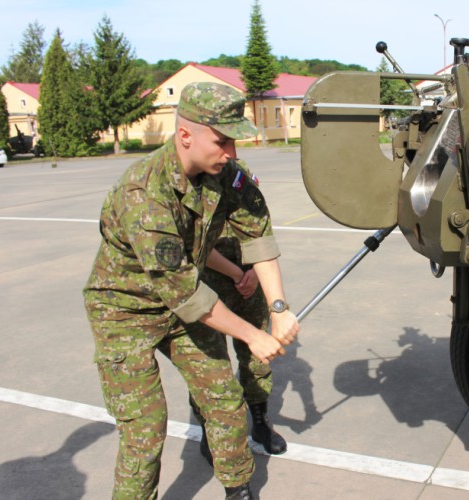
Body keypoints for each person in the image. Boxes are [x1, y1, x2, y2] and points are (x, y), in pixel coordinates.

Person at [83, 81, 299, 500]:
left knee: (223, 399)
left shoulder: (226, 174)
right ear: (185, 134)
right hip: (125, 314)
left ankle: (238, 490)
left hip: (183, 307)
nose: (232, 152)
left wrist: (277, 308)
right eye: (222, 141)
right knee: (145, 430)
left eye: (234, 141)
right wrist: (253, 335)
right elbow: (184, 293)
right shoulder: (143, 195)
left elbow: (257, 235)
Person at [191, 212, 292, 459]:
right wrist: (237, 274)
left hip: (251, 280)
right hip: (209, 281)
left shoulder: (244, 190)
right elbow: (194, 242)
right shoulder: (196, 192)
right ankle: (208, 427)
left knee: (256, 358)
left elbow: (259, 234)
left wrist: (255, 272)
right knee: (208, 360)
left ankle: (260, 422)